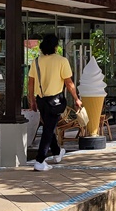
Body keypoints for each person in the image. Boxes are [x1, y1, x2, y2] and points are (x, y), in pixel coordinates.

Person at [27, 33, 81, 171]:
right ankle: (39, 160)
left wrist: (32, 100)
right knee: (48, 129)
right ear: (56, 47)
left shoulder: (36, 61)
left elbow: (30, 83)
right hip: (55, 101)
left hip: (41, 100)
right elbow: (69, 83)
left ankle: (57, 152)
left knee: (48, 127)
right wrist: (76, 99)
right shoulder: (62, 61)